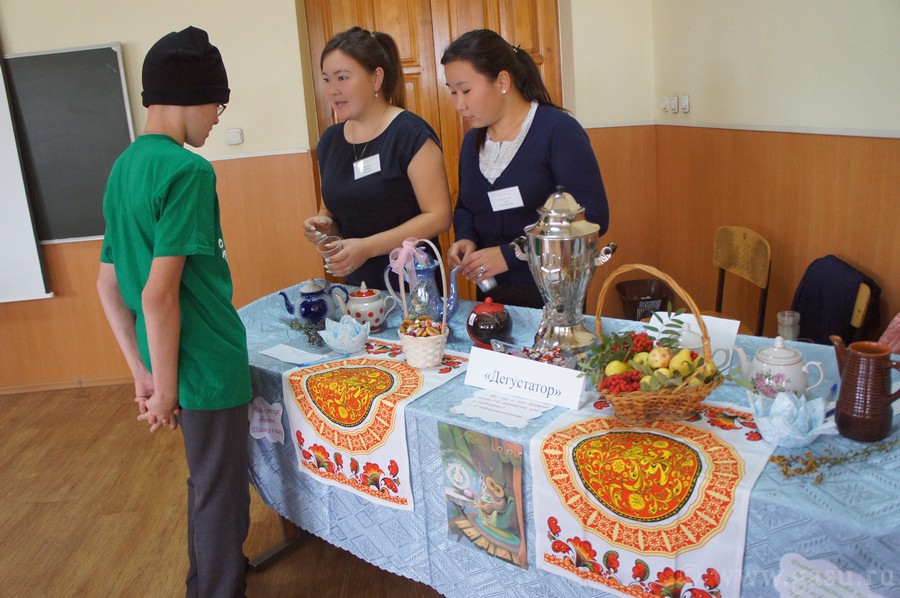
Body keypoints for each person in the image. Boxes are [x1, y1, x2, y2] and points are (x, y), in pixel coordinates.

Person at [95, 26, 251, 598]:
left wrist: (142, 372)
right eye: (217, 105)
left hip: (167, 361)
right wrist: (162, 390)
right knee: (221, 494)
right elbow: (157, 295)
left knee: (206, 483)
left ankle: (203, 582)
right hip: (207, 362)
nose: (215, 119)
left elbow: (108, 284)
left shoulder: (124, 167)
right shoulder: (188, 171)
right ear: (192, 96)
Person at [441, 29, 610, 308]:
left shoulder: (559, 131)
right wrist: (466, 238)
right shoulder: (472, 141)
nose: (459, 104)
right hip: (492, 295)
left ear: (502, 82)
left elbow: (593, 217)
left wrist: (510, 255)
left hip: (554, 296)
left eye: (466, 90)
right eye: (453, 92)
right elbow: (466, 207)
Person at [303, 26, 452, 290]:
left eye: (342, 78)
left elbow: (438, 216)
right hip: (359, 289)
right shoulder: (330, 140)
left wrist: (367, 247)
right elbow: (330, 208)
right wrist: (325, 224)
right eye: (326, 79)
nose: (333, 90)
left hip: (413, 287)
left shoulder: (410, 133)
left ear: (376, 78)